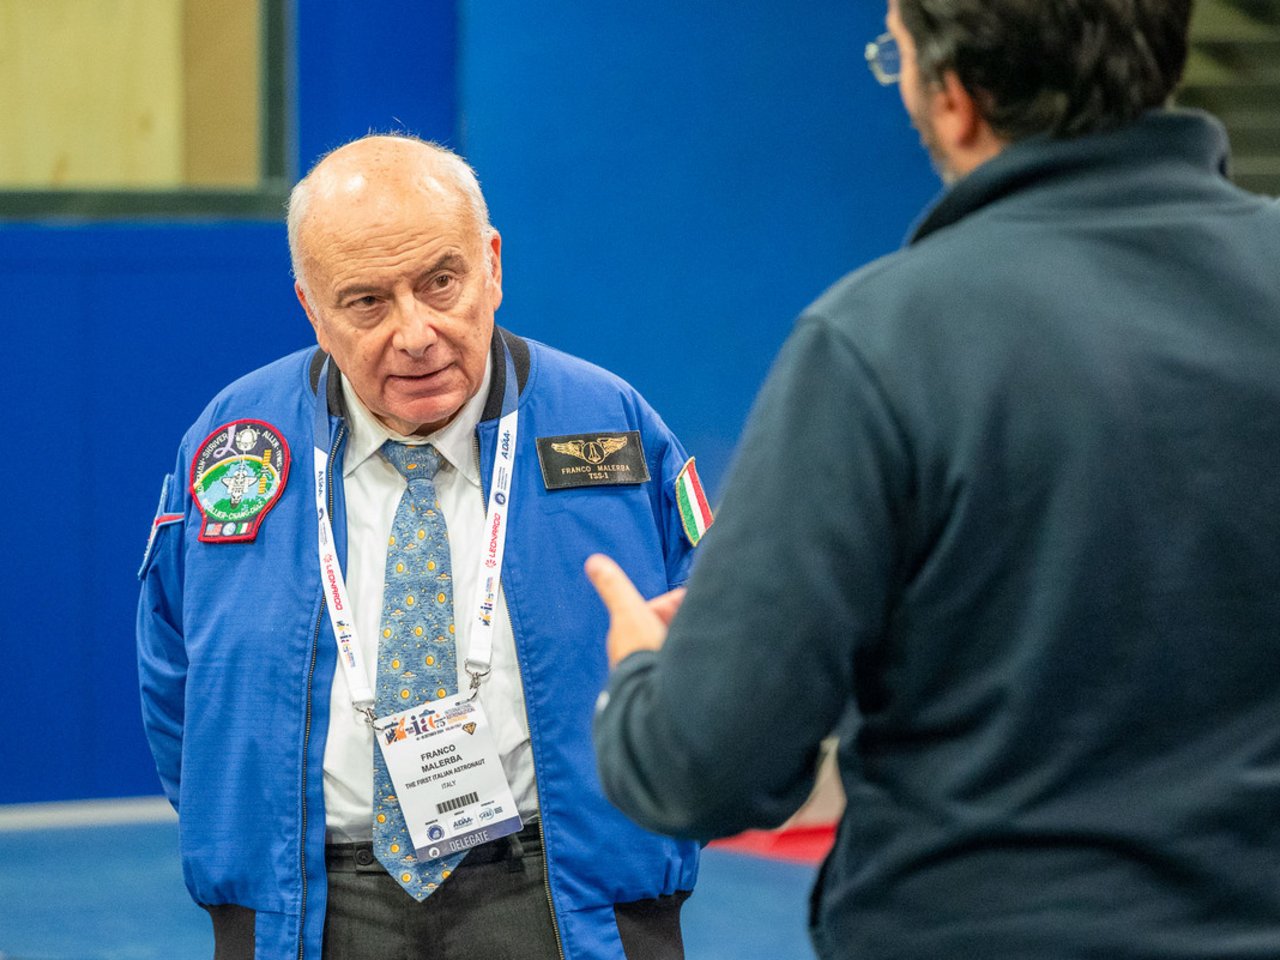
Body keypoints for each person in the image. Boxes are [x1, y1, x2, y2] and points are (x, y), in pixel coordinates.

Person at [588, 1, 1280, 958]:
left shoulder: (879, 343)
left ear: (954, 99)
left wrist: (643, 677)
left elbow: (706, 767)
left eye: (896, 58)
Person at [137, 135, 706, 960]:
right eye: (367, 302)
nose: (416, 333)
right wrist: (250, 843)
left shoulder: (612, 428)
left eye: (442, 282)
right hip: (310, 900)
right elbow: (172, 672)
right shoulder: (235, 444)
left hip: (563, 889)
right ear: (311, 307)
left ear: (492, 264)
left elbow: (717, 640)